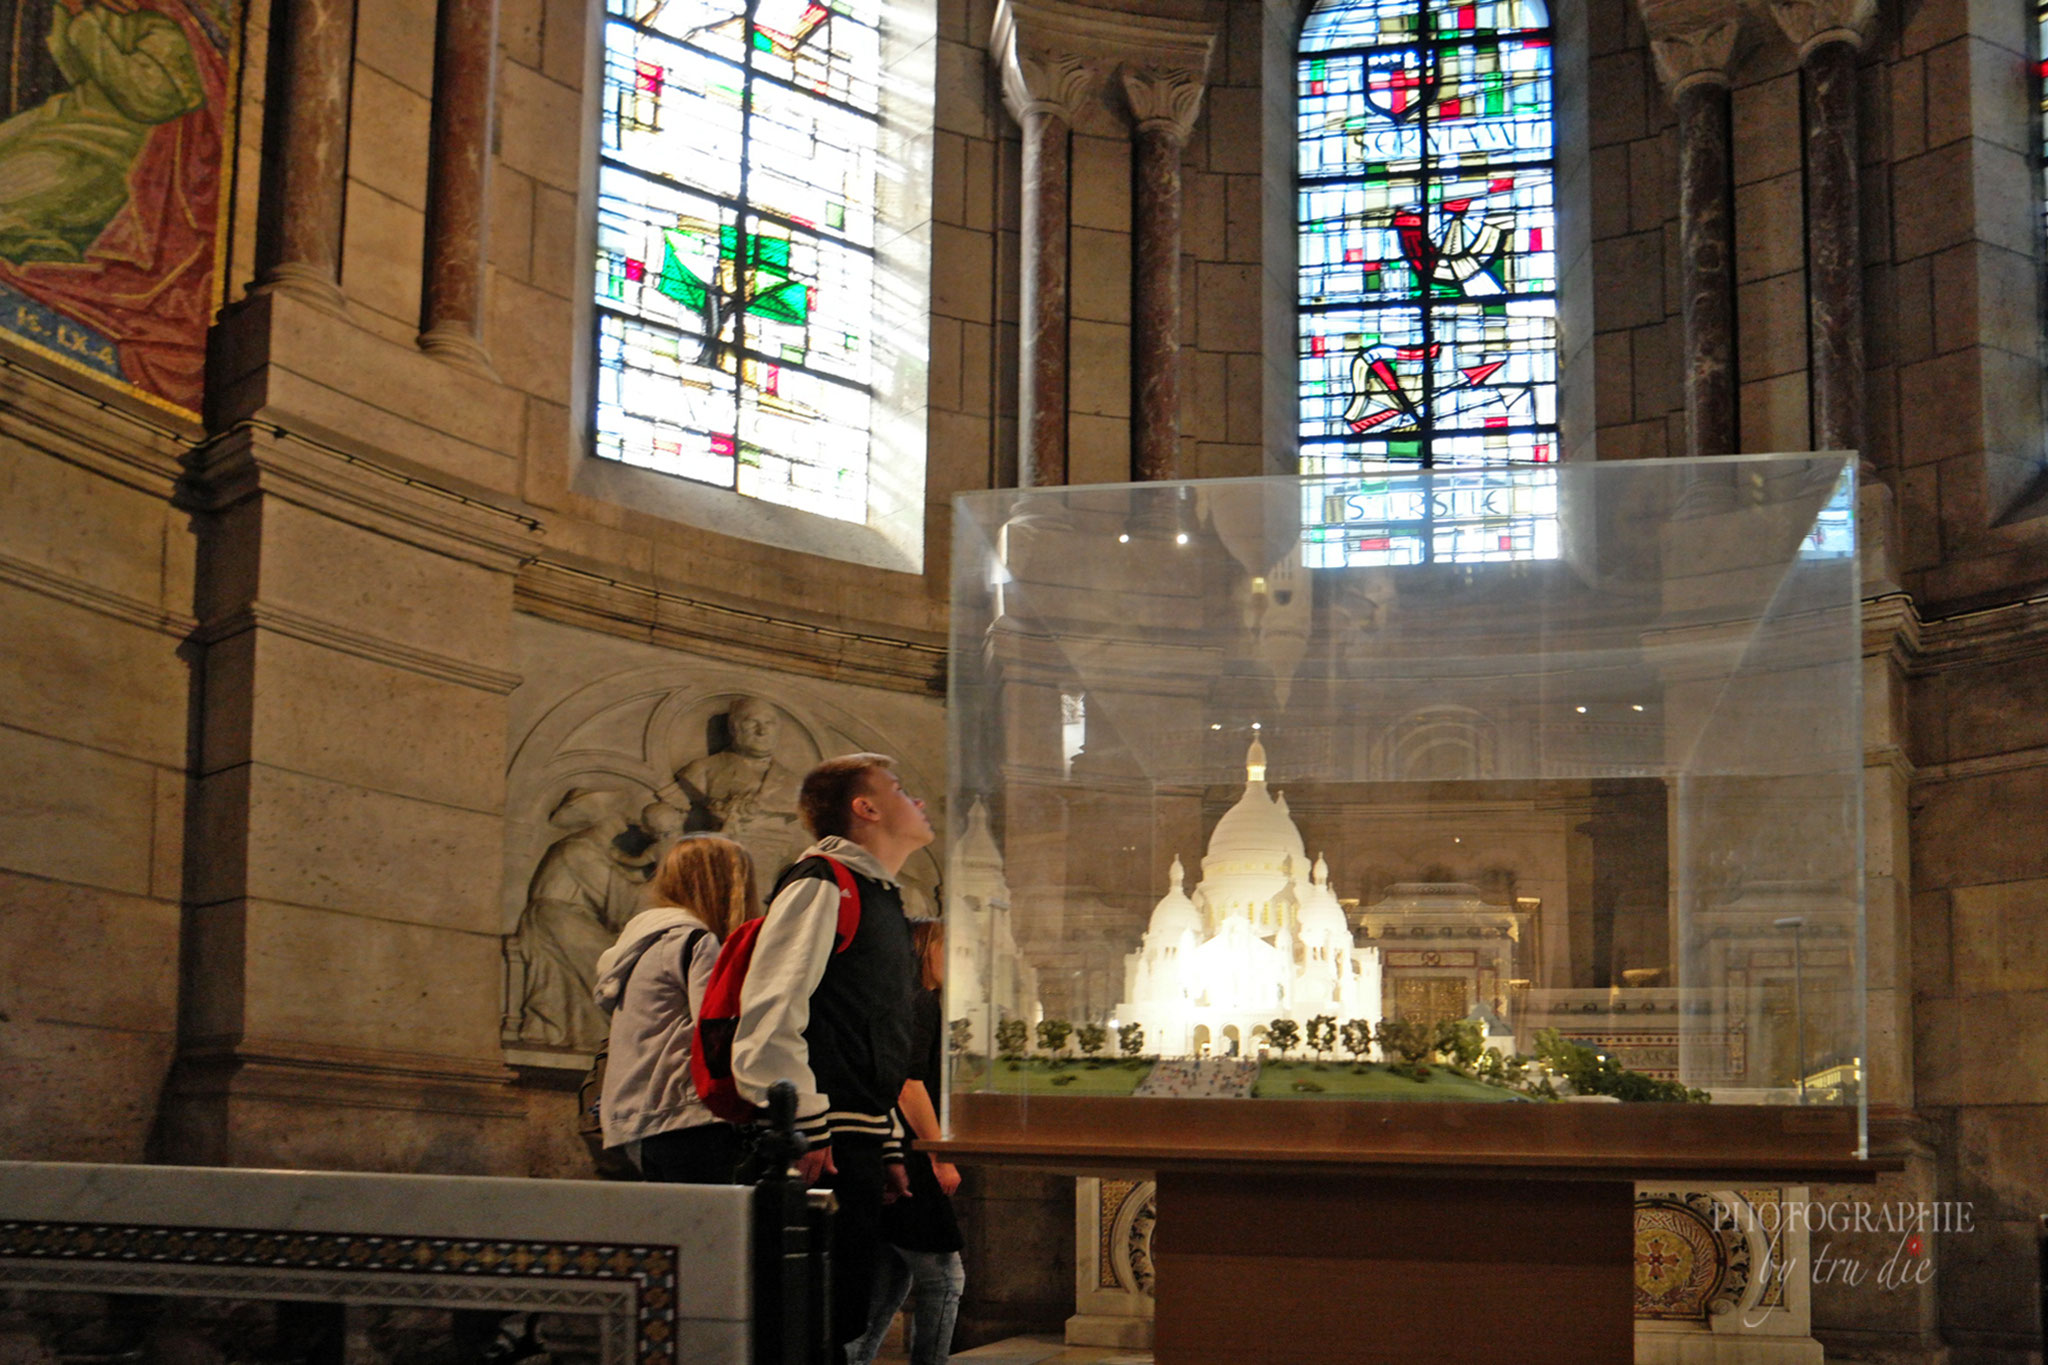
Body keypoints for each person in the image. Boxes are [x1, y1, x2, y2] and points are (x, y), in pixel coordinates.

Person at [731, 753, 933, 1352]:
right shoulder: (823, 882)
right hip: (822, 1141)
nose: (917, 803)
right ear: (864, 809)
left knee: (841, 1310)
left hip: (855, 1134)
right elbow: (773, 1005)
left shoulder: (880, 899)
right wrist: (804, 1125)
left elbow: (870, 1031)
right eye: (900, 790)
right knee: (808, 1318)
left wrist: (889, 1139)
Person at [591, 833, 756, 1182]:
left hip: (631, 1119)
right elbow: (717, 1027)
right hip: (684, 1114)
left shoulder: (640, 944)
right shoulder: (696, 941)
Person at [850, 919, 965, 1365]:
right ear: (923, 951)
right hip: (911, 1155)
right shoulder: (919, 1003)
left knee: (890, 1275)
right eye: (946, 946)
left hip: (889, 1148)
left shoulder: (901, 1002)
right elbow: (908, 1085)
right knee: (944, 1279)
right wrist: (941, 1155)